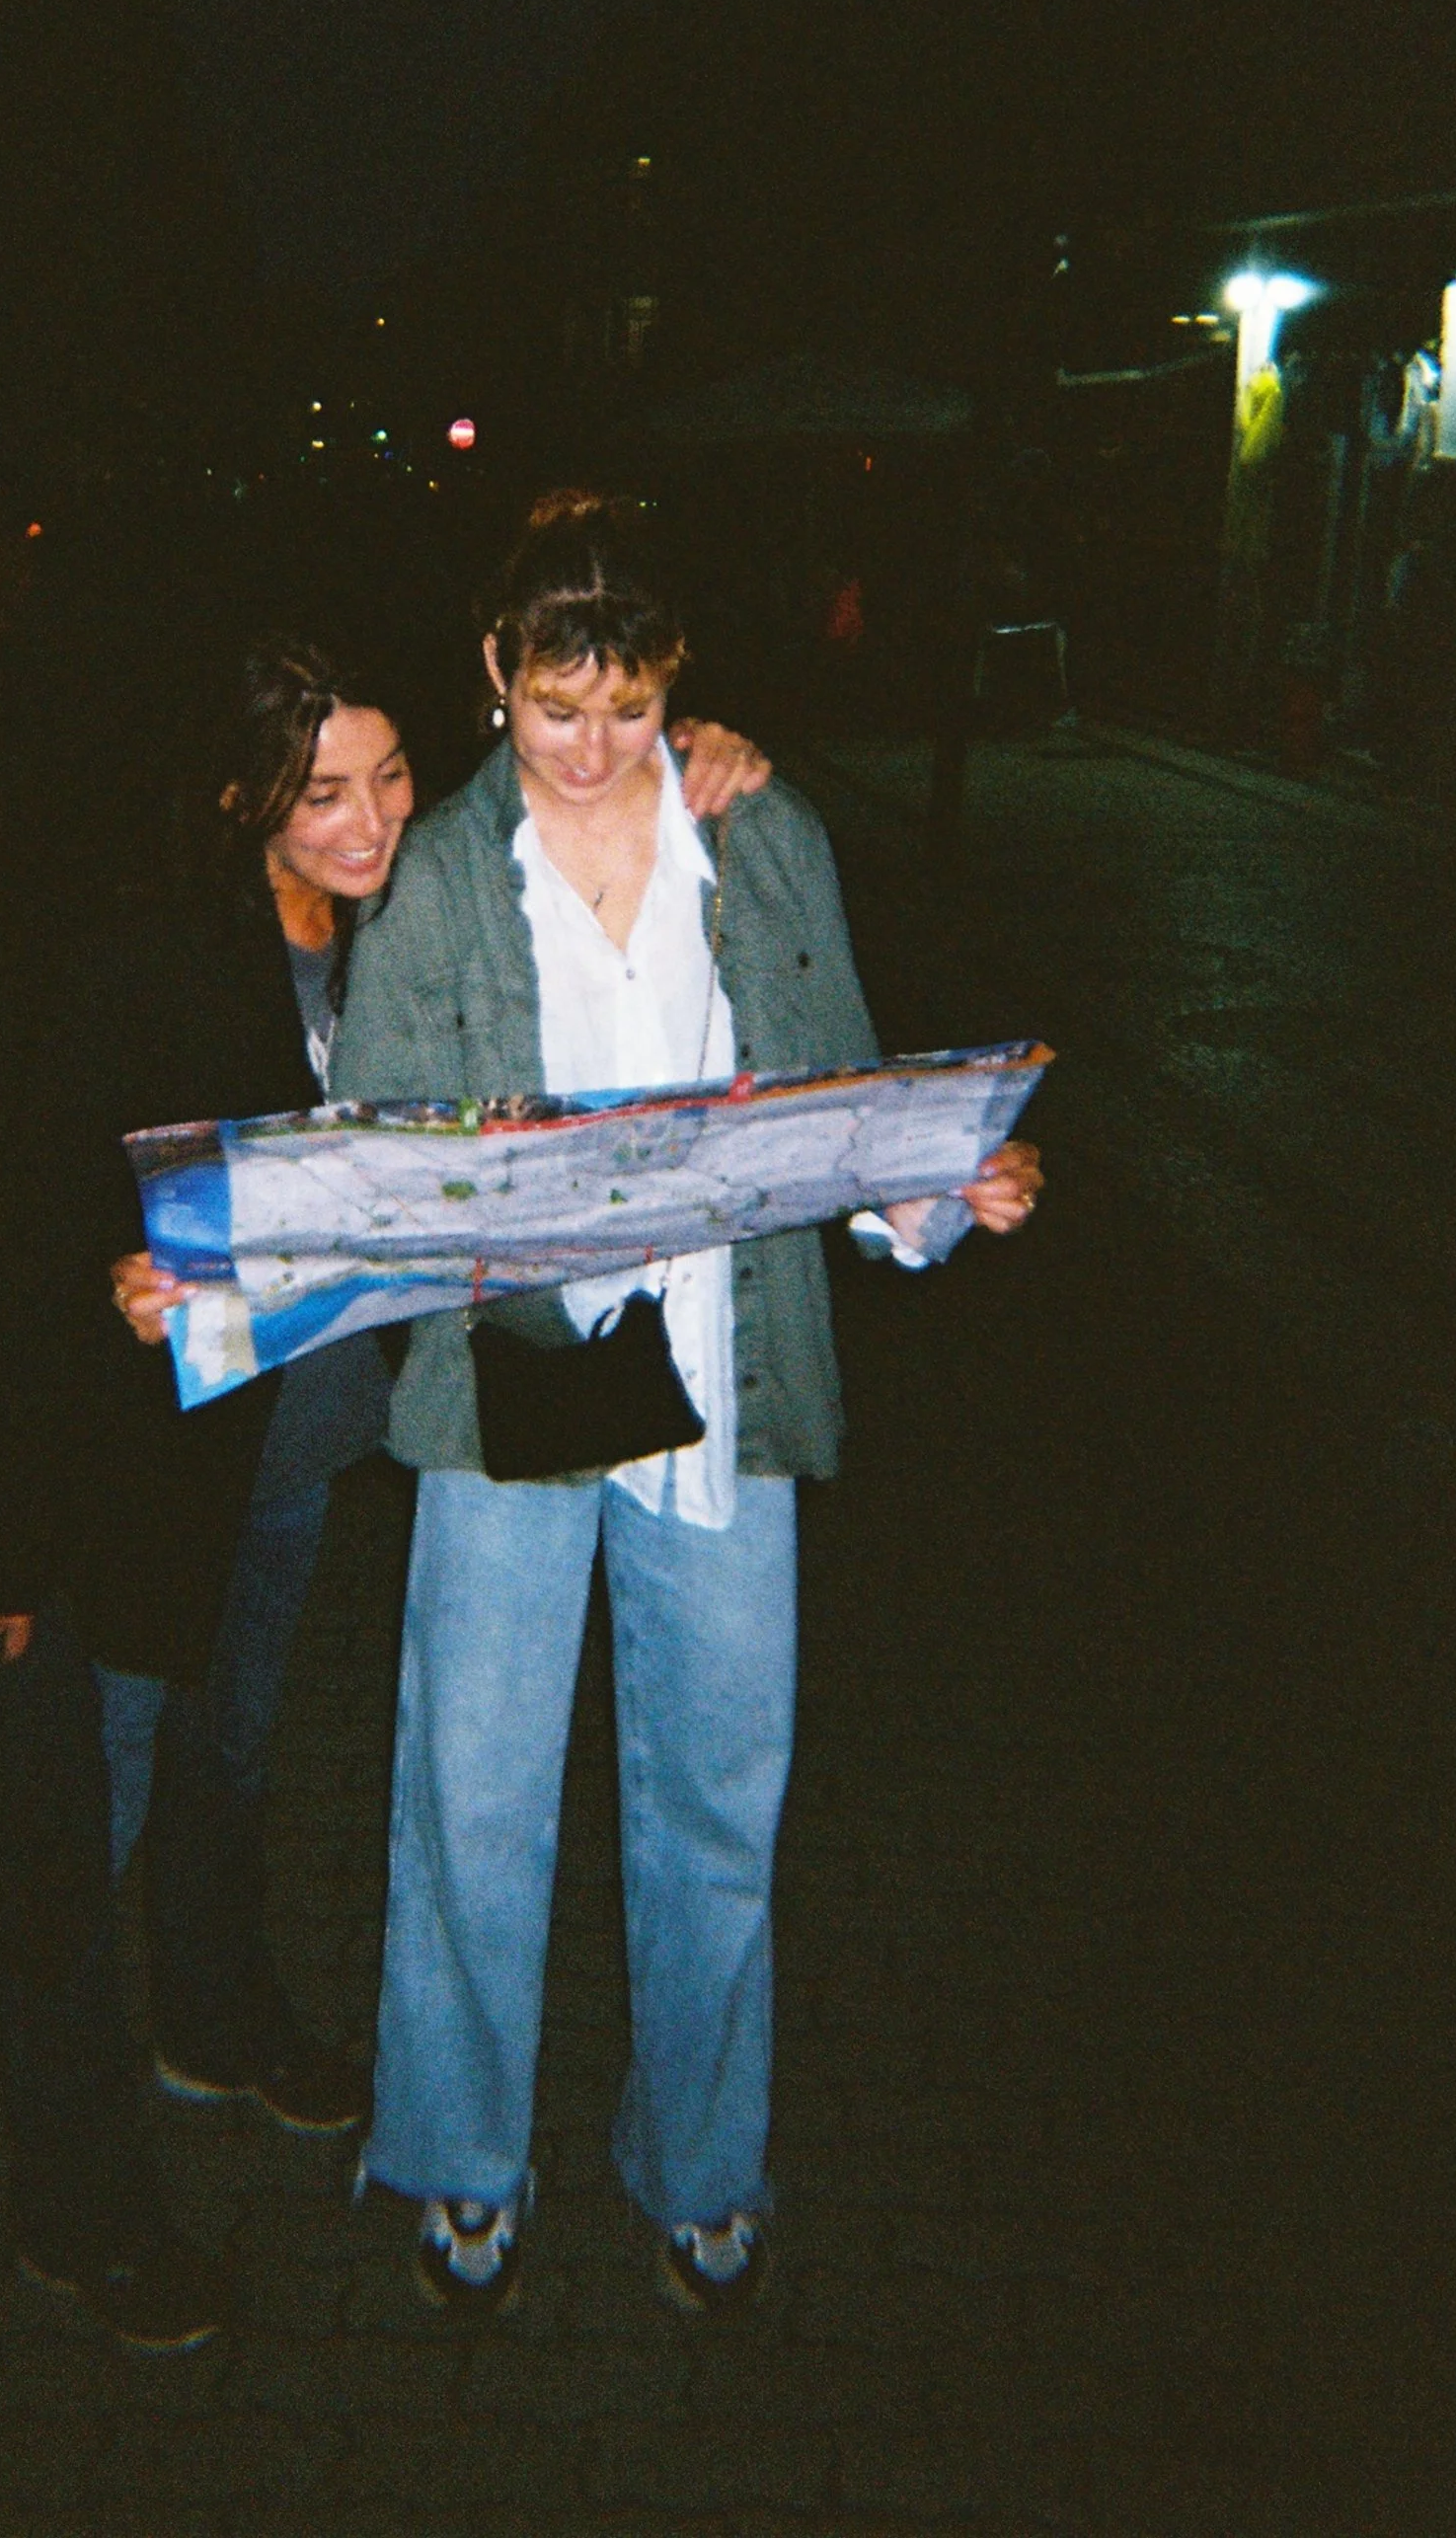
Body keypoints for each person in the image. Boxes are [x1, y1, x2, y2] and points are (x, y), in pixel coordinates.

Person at [0, 627, 774, 2351]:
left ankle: (217, 2018)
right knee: (90, 1818)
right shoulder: (152, 960)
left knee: (234, 1761)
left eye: (389, 779)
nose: (370, 819)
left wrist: (714, 755)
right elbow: (32, 1237)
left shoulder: (405, 928)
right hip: (137, 1478)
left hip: (290, 1459)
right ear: (243, 799)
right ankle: (77, 2205)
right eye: (323, 793)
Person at [328, 492, 1040, 2320]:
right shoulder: (436, 873)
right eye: (557, 710)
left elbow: (843, 1097)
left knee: (721, 1801)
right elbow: (376, 1149)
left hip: (724, 1384)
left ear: (673, 685)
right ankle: (466, 2157)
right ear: (496, 678)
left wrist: (939, 1189)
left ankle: (702, 2163)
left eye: (629, 707)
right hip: (510, 1393)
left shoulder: (766, 832)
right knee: (470, 1795)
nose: (591, 751)